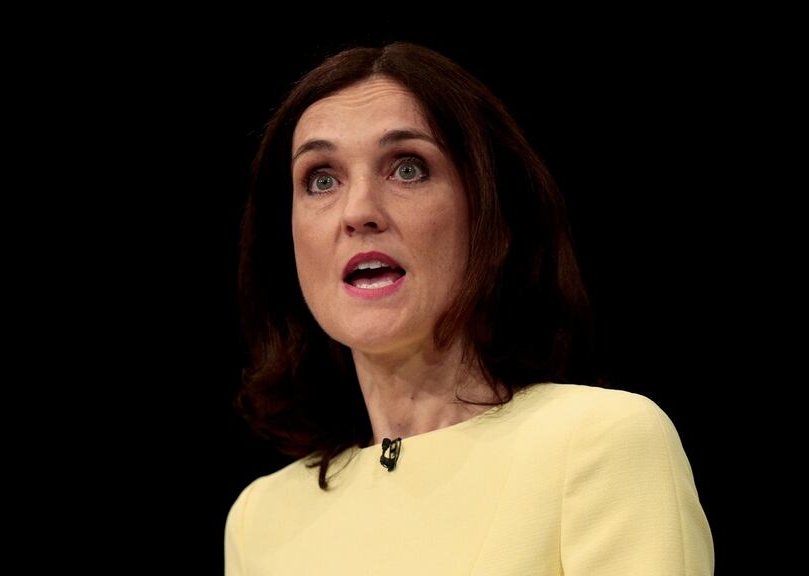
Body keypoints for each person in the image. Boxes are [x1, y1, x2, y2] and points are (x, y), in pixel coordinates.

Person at [226, 42, 713, 575]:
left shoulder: (600, 444)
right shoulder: (260, 519)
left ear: (492, 217)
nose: (359, 210)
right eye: (321, 179)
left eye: (407, 169)